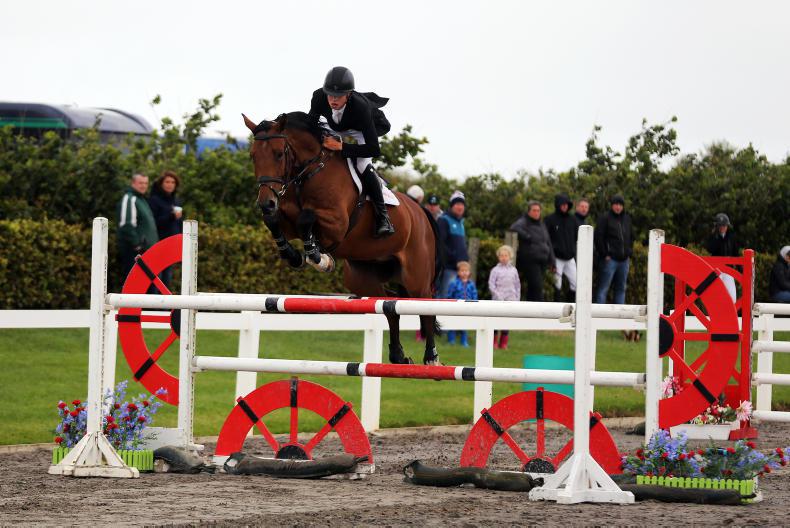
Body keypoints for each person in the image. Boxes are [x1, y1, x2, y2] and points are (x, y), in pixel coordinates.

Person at [308, 66, 394, 238]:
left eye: (338, 96)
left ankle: (383, 217)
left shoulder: (361, 108)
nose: (333, 99)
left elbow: (373, 149)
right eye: (330, 94)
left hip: (357, 130)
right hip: (331, 126)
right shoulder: (318, 96)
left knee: (363, 164)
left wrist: (342, 147)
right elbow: (310, 124)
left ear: (348, 94)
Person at [509, 200, 555, 302]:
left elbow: (548, 242)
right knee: (537, 286)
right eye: (534, 210)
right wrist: (527, 236)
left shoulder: (541, 224)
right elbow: (513, 227)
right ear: (529, 211)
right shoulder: (524, 221)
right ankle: (540, 310)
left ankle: (530, 310)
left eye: (538, 210)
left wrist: (552, 261)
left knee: (534, 287)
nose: (536, 213)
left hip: (543, 259)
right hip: (530, 260)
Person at [117, 173, 158, 280]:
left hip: (147, 252)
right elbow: (126, 225)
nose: (143, 186)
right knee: (134, 286)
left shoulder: (142, 199)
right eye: (140, 183)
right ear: (133, 183)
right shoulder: (130, 198)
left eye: (145, 183)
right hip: (136, 252)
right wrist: (137, 245)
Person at [594, 194, 634, 304]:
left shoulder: (627, 218)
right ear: (612, 205)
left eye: (620, 205)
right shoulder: (605, 218)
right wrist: (604, 254)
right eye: (616, 204)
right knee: (603, 289)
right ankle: (598, 315)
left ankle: (619, 316)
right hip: (610, 260)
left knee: (621, 289)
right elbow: (598, 237)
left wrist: (629, 251)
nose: (618, 207)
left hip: (624, 260)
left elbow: (631, 236)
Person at [148, 170, 184, 289]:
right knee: (156, 275)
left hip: (172, 243)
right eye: (167, 181)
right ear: (161, 184)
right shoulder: (154, 200)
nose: (170, 184)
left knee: (167, 276)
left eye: (173, 182)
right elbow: (153, 223)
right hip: (159, 242)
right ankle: (154, 305)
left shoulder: (175, 201)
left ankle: (165, 306)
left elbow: (178, 224)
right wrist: (171, 216)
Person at [544, 193, 578, 302]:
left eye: (566, 204)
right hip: (556, 258)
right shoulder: (549, 219)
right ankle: (556, 309)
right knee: (557, 285)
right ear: (557, 205)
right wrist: (550, 259)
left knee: (576, 283)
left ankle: (571, 307)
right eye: (562, 204)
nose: (565, 206)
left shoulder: (573, 220)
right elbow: (545, 239)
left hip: (570, 258)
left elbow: (577, 236)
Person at [437, 190, 469, 298]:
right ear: (452, 206)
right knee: (445, 297)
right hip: (449, 268)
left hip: (461, 270)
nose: (460, 207)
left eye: (462, 204)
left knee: (459, 298)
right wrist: (454, 259)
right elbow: (441, 244)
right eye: (457, 204)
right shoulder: (443, 220)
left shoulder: (461, 223)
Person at [488, 245, 520, 349]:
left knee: (506, 322)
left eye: (506, 255)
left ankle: (504, 343)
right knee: (496, 321)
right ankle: (494, 343)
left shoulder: (514, 270)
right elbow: (491, 284)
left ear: (510, 256)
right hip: (498, 300)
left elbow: (517, 285)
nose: (503, 257)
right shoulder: (495, 270)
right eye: (501, 255)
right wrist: (497, 295)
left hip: (511, 300)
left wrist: (517, 298)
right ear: (498, 257)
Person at [705, 213, 740, 302]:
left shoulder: (732, 237)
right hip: (716, 269)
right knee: (716, 294)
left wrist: (740, 270)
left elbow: (735, 253)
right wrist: (717, 237)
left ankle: (730, 313)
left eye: (724, 225)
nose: (723, 228)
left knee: (732, 296)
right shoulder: (713, 236)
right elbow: (710, 249)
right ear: (717, 226)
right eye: (720, 226)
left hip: (729, 269)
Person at [445, 261, 478, 346]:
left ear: (469, 272)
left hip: (467, 307)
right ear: (458, 272)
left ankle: (464, 341)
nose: (464, 273)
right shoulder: (454, 283)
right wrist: (450, 304)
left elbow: (474, 295)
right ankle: (451, 340)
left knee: (465, 324)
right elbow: (449, 294)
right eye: (462, 271)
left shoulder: (471, 284)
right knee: (452, 324)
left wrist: (475, 304)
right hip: (455, 307)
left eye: (466, 271)